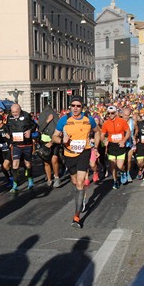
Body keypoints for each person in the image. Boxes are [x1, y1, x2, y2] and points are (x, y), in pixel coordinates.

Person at [52, 96, 101, 228]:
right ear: (70, 106)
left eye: (78, 106)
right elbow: (54, 137)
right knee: (74, 182)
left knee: (80, 182)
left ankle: (77, 216)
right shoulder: (64, 120)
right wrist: (62, 140)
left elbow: (97, 132)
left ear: (82, 107)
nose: (75, 108)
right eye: (73, 105)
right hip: (69, 155)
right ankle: (81, 198)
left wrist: (95, 147)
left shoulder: (88, 119)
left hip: (84, 153)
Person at [5, 103, 37, 193]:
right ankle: (15, 185)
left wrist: (30, 131)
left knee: (28, 164)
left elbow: (34, 125)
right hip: (16, 145)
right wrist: (7, 133)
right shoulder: (9, 117)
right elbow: (7, 127)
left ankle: (30, 179)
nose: (14, 113)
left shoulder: (26, 116)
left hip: (26, 144)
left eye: (16, 111)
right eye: (13, 112)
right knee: (15, 164)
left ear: (20, 110)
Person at [101, 106, 131, 190]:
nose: (110, 115)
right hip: (111, 146)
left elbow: (128, 132)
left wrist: (123, 141)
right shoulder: (106, 123)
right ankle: (115, 181)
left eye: (112, 113)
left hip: (120, 145)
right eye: (109, 113)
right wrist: (104, 141)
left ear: (116, 113)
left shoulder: (122, 121)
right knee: (113, 166)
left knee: (120, 165)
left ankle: (122, 172)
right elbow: (102, 135)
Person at [37, 105, 62, 188]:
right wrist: (47, 120)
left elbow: (59, 129)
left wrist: (53, 141)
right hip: (44, 140)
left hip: (54, 139)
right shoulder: (42, 117)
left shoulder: (56, 117)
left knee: (54, 159)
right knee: (46, 161)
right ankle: (49, 179)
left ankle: (56, 177)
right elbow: (40, 129)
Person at [0, 114, 13, 188]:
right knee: (3, 167)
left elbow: (12, 137)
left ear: (1, 121)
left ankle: (12, 180)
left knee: (6, 165)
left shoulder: (6, 127)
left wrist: (9, 137)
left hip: (9, 149)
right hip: (1, 150)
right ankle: (9, 179)